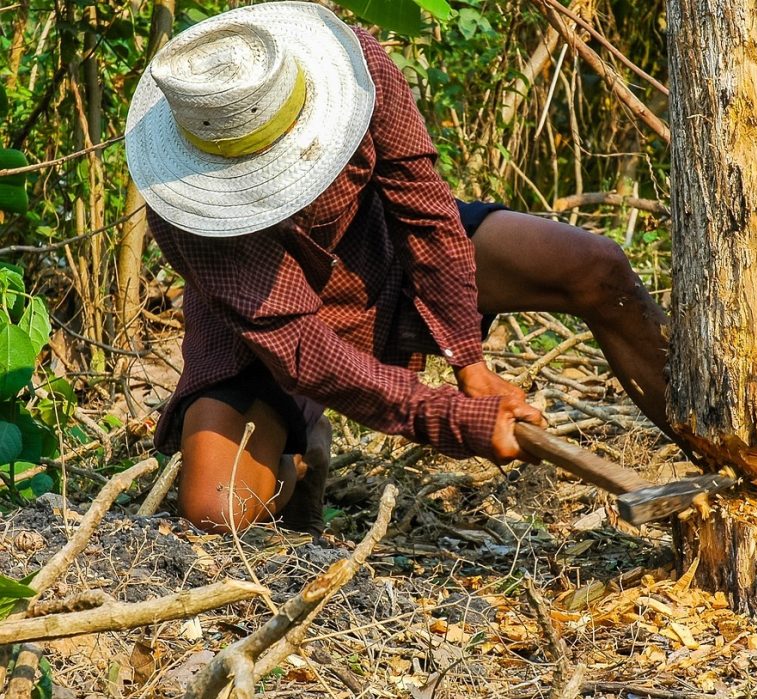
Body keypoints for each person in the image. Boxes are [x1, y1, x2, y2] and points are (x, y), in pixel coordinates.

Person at [126, 1, 676, 534]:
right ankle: (301, 445)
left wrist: (470, 363)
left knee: (596, 267)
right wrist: (452, 420)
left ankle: (722, 451)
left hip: (385, 254)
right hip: (269, 327)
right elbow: (299, 349)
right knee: (214, 510)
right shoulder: (185, 216)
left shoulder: (357, 69)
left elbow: (429, 215)